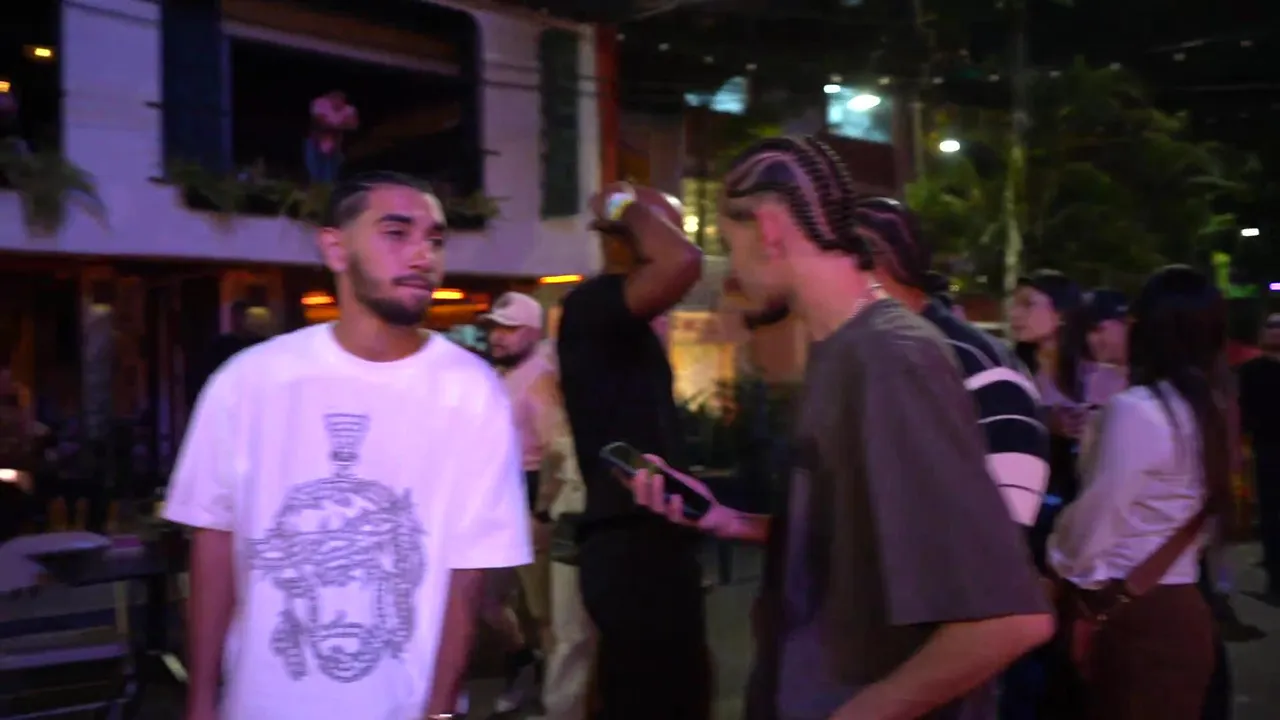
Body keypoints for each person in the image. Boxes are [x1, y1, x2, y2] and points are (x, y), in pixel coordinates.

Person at [633, 136, 1053, 720]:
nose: (731, 271)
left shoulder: (890, 359)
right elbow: (864, 542)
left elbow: (1007, 621)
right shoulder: (844, 350)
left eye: (729, 244)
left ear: (770, 230)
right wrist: (728, 519)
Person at [162, 171, 532, 720]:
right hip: (260, 704)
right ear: (335, 248)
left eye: (434, 240)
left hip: (401, 705)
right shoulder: (249, 382)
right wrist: (200, 701)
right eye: (396, 233)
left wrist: (438, 711)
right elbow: (214, 543)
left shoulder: (471, 392)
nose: (423, 256)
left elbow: (469, 573)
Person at [1047, 264, 1228, 719]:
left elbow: (1095, 519)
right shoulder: (1210, 407)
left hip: (1135, 614)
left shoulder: (1139, 410)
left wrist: (1060, 568)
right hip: (1181, 605)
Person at [556, 181, 705, 720]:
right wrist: (622, 206)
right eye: (663, 228)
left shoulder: (627, 324)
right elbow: (683, 261)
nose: (677, 240)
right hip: (629, 544)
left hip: (650, 539)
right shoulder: (592, 306)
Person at [480, 291, 591, 717]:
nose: (498, 336)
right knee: (490, 601)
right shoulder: (501, 374)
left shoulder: (539, 379)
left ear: (531, 332)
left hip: (528, 499)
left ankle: (551, 697)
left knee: (542, 611)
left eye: (508, 329)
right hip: (499, 500)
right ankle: (527, 666)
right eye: (494, 328)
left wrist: (541, 512)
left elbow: (557, 452)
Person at [1241, 313, 1280, 600]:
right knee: (1272, 515)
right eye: (1271, 325)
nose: (1276, 331)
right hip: (1267, 450)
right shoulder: (1250, 371)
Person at [307, 90, 358, 184]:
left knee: (333, 166)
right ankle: (316, 183)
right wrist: (338, 125)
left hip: (337, 141)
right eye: (335, 99)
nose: (337, 102)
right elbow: (320, 121)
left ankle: (329, 184)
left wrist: (334, 127)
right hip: (317, 138)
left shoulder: (349, 110)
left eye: (340, 100)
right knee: (315, 165)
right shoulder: (320, 104)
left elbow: (353, 125)